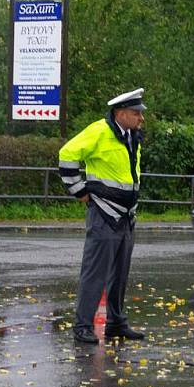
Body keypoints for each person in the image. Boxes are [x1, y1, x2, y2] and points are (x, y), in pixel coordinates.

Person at [58, 88, 147, 344]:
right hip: (104, 213)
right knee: (95, 272)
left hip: (126, 215)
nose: (141, 118)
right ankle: (83, 326)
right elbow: (67, 155)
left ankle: (116, 323)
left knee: (120, 273)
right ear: (120, 113)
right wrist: (79, 191)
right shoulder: (99, 131)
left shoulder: (131, 135)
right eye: (135, 113)